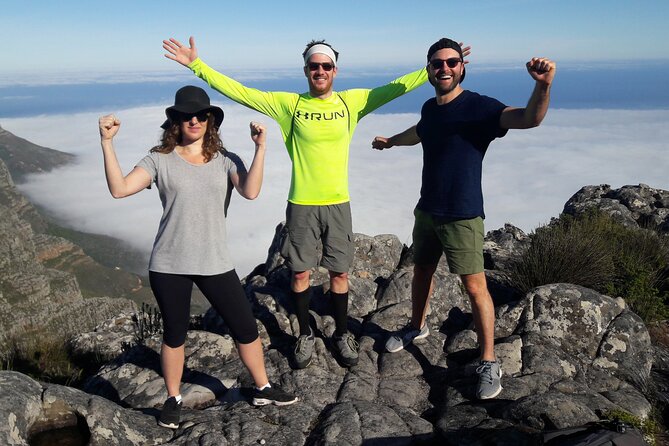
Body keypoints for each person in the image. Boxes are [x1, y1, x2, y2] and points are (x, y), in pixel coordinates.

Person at [162, 37, 469, 369]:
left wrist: (436, 68)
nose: (319, 71)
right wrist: (197, 65)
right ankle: (305, 334)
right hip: (302, 203)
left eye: (326, 66)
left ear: (335, 70)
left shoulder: (353, 102)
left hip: (338, 203)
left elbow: (397, 86)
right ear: (306, 70)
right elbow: (240, 91)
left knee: (340, 274)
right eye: (313, 66)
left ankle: (340, 333)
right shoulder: (290, 105)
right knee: (299, 275)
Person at [98, 85, 297, 429]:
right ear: (175, 120)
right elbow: (119, 189)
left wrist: (260, 148)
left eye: (201, 115)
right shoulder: (158, 159)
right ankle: (173, 399)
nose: (194, 120)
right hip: (169, 263)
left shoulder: (225, 160)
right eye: (186, 115)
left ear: (210, 121)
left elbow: (250, 191)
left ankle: (263, 386)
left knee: (245, 327)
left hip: (215, 261)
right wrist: (107, 143)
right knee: (174, 333)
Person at [372, 38, 555, 400]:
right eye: (437, 63)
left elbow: (528, 119)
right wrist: (391, 141)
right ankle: (416, 326)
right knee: (421, 271)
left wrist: (543, 85)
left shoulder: (478, 107)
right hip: (427, 209)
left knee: (475, 287)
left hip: (463, 214)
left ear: (462, 67)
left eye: (451, 62)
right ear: (429, 69)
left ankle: (488, 359)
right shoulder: (430, 107)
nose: (445, 69)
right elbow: (421, 132)